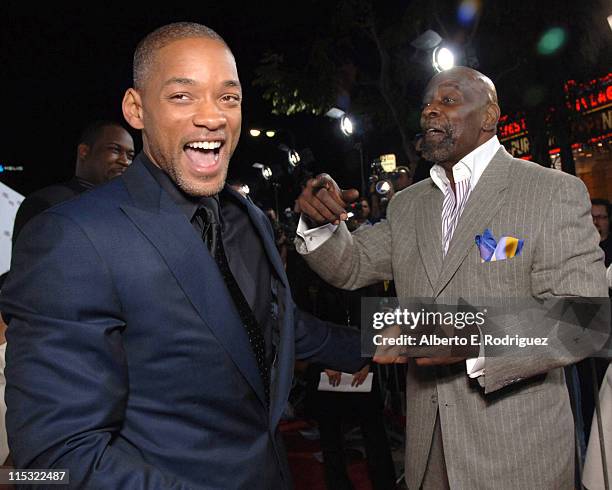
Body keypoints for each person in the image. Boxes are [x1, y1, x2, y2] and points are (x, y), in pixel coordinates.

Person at [1, 22, 363, 489]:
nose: (212, 117)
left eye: (227, 98)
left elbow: (272, 323)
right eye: (182, 96)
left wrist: (400, 336)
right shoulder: (72, 238)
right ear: (137, 109)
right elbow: (56, 459)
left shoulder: (244, 217)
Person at [295, 66, 608, 489]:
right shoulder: (408, 206)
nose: (429, 110)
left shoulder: (550, 192)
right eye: (427, 103)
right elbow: (351, 264)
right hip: (426, 452)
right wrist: (320, 224)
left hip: (516, 457)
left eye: (448, 100)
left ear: (489, 116)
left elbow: (585, 320)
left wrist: (475, 336)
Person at [11, 120, 135, 244]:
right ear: (84, 151)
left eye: (130, 156)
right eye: (115, 150)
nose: (125, 161)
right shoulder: (47, 203)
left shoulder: (128, 211)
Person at [592, 198, 612, 267]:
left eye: (599, 217)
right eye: (592, 217)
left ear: (609, 219)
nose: (595, 221)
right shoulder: (581, 246)